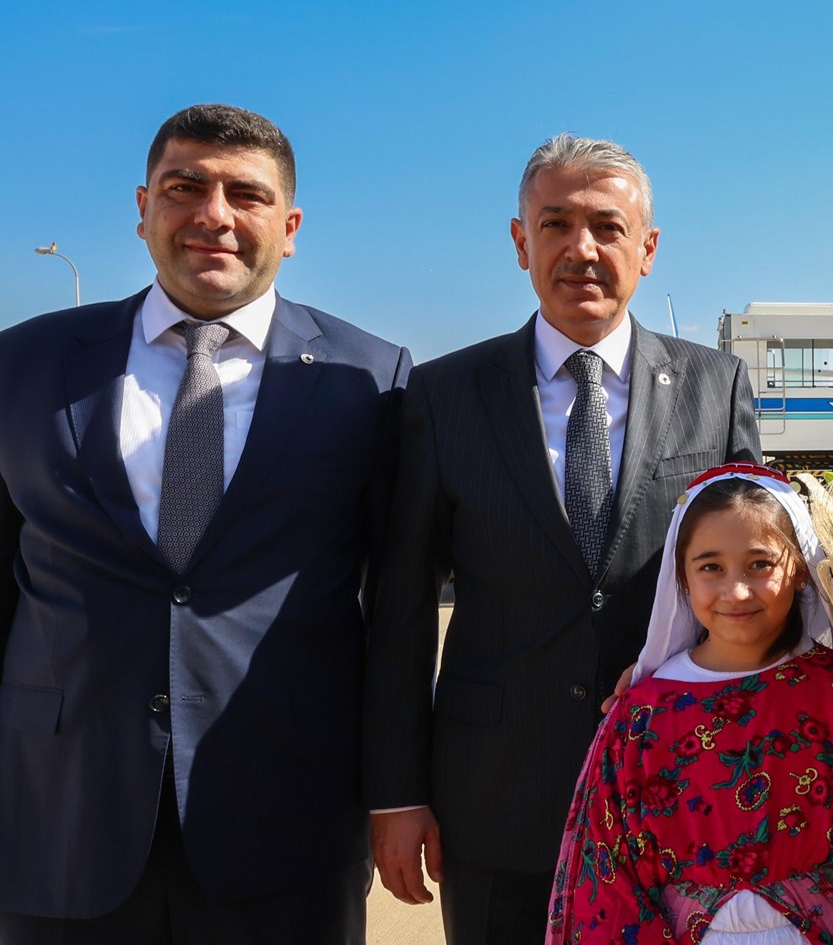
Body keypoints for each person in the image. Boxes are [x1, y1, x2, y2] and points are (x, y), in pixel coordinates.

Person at [0, 105, 410, 943]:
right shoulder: (24, 364)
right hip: (58, 816)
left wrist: (397, 791)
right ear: (144, 208)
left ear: (288, 227)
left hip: (284, 828)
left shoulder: (371, 379)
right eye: (185, 187)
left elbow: (399, 611)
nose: (213, 214)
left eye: (245, 195)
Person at [363, 134, 760, 945]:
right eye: (555, 224)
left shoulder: (715, 389)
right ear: (521, 243)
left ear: (647, 249)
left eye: (608, 227)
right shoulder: (443, 395)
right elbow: (400, 607)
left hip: (682, 789)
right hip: (493, 805)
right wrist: (397, 794)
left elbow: (763, 590)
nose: (582, 249)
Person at [547, 464, 833, 944]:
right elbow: (610, 877)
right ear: (681, 578)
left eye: (760, 564)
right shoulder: (642, 714)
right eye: (710, 567)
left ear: (802, 570)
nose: (736, 590)